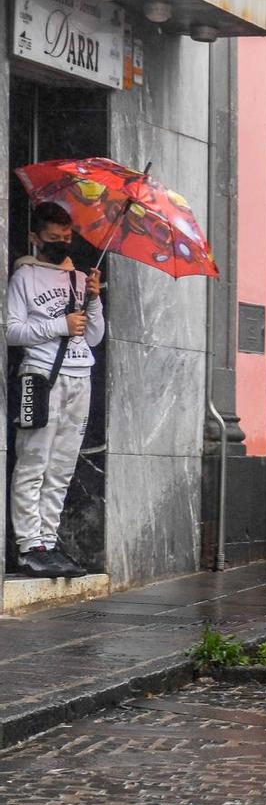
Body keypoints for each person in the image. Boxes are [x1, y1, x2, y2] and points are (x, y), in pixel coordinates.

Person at [7, 203, 103, 578]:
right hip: (41, 376)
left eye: (67, 238)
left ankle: (49, 539)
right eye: (52, 239)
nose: (62, 245)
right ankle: (29, 545)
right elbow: (12, 331)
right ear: (35, 238)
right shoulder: (25, 276)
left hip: (81, 376)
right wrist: (58, 326)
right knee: (34, 462)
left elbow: (93, 337)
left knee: (62, 466)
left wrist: (93, 300)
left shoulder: (80, 279)